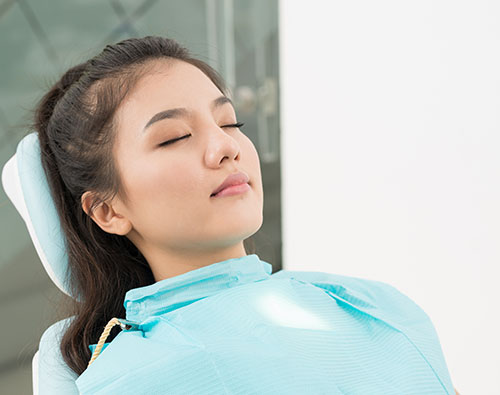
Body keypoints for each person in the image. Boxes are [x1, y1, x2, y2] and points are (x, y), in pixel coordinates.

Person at [32, 36, 459, 394]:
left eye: (230, 123)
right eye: (175, 137)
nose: (226, 147)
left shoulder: (371, 303)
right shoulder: (133, 376)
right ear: (108, 210)